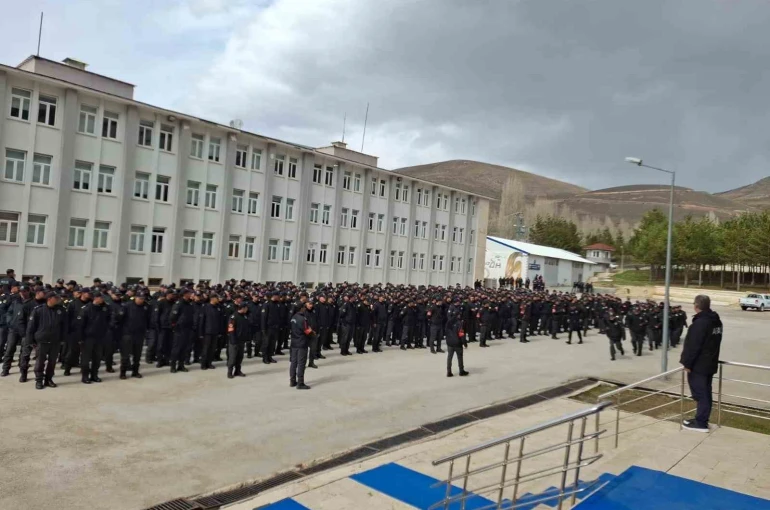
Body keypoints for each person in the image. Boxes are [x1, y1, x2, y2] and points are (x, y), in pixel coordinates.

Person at [680, 295, 723, 433]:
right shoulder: (716, 321)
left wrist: (687, 363)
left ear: (696, 306)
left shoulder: (700, 323)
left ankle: (701, 422)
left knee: (701, 394)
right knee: (705, 392)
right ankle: (700, 418)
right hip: (709, 363)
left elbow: (693, 346)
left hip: (699, 366)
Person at [25, 291, 66, 389]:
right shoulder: (38, 310)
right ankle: (39, 380)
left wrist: (63, 339)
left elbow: (65, 326)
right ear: (49, 299)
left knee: (52, 362)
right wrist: (30, 340)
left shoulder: (61, 310)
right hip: (42, 340)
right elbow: (31, 327)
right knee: (40, 362)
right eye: (55, 298)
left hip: (55, 341)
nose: (57, 299)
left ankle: (48, 379)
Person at [119, 292, 151, 379]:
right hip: (128, 334)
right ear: (135, 298)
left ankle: (135, 371)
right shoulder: (127, 306)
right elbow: (119, 319)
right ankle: (123, 372)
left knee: (137, 355)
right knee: (125, 356)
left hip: (140, 335)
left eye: (143, 298)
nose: (141, 300)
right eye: (140, 298)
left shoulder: (146, 307)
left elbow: (148, 319)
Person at [289, 301, 314, 389]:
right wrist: (312, 333)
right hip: (302, 342)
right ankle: (300, 382)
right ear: (302, 308)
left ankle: (292, 381)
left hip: (294, 342)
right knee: (301, 363)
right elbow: (307, 331)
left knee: (293, 362)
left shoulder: (293, 317)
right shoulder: (303, 319)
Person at [445, 300, 469, 377]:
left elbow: (446, 333)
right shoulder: (459, 324)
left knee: (449, 357)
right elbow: (461, 334)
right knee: (460, 357)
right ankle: (461, 371)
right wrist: (465, 343)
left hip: (450, 343)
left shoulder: (448, 323)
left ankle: (449, 372)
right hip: (457, 343)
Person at [226, 302, 249, 378]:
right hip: (234, 340)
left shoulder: (244, 316)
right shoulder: (233, 316)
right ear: (242, 308)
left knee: (240, 357)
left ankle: (237, 371)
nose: (247, 309)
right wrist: (233, 340)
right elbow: (231, 328)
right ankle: (229, 372)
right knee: (232, 357)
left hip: (241, 340)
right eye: (246, 308)